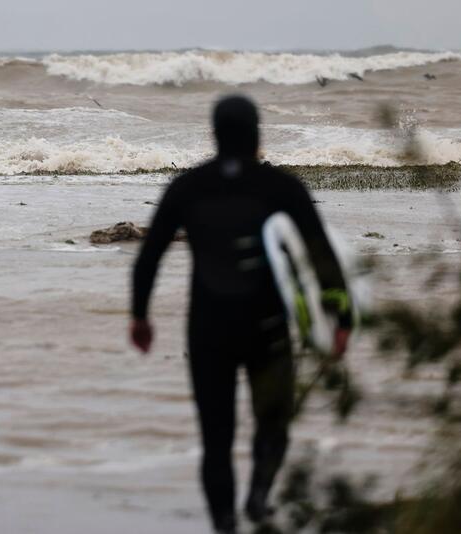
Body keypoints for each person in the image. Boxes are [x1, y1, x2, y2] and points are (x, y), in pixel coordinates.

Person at [129, 95, 351, 533]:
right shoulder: (281, 187)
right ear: (257, 135)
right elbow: (320, 254)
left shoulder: (188, 187)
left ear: (214, 135)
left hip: (208, 329)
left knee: (216, 438)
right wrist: (341, 318)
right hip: (265, 327)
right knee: (274, 422)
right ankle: (258, 497)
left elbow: (150, 256)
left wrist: (140, 315)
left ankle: (225, 522)